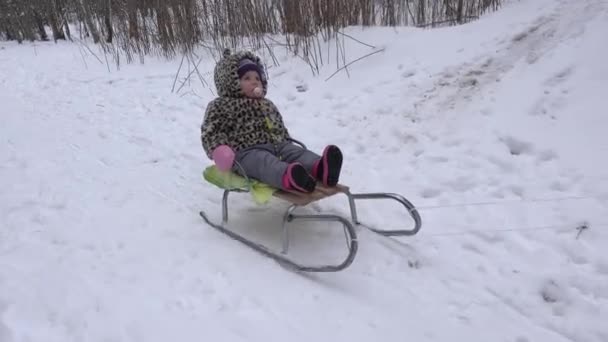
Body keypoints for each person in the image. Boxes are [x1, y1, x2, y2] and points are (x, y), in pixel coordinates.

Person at [201, 49, 343, 193]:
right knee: (264, 162)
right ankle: (290, 177)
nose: (254, 82)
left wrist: (285, 141)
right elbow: (212, 132)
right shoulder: (221, 105)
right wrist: (219, 150)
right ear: (231, 82)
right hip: (246, 152)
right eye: (247, 78)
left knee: (296, 152)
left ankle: (320, 168)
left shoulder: (267, 104)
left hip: (278, 146)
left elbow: (278, 127)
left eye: (257, 78)